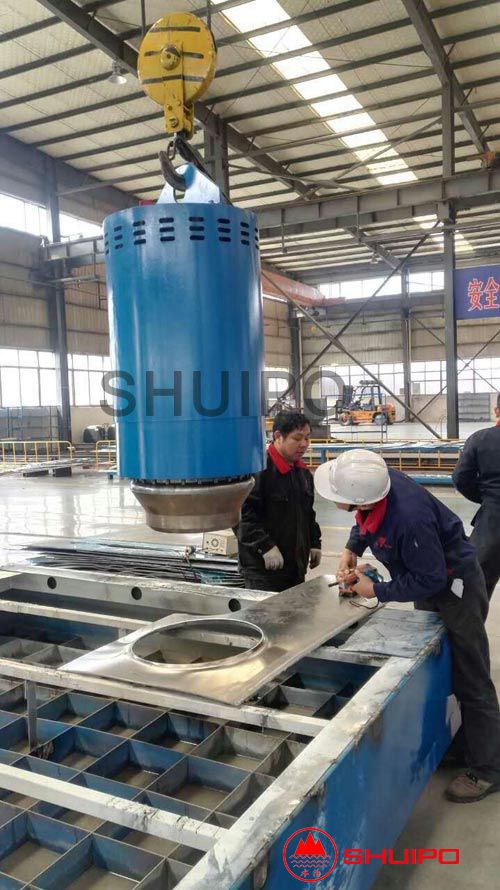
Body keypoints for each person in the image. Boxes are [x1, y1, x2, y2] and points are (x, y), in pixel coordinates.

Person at [314, 449, 500, 803]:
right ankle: (465, 746)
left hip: (454, 588)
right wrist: (352, 548)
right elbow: (366, 521)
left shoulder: (409, 519)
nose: (333, 498)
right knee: (443, 666)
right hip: (432, 581)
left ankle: (489, 769)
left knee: (472, 676)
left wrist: (376, 590)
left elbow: (430, 579)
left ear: (360, 498)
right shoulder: (379, 485)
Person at [236, 411, 321, 592]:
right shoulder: (257, 470)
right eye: (297, 438)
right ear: (278, 436)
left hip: (295, 568)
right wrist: (264, 546)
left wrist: (315, 542)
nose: (304, 444)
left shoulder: (302, 473)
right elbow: (240, 514)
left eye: (307, 438)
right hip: (263, 572)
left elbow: (308, 512)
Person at [452, 394, 500, 599]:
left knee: (476, 585)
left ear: (496, 411)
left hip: (492, 524)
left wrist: (486, 498)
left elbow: (461, 478)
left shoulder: (480, 439)